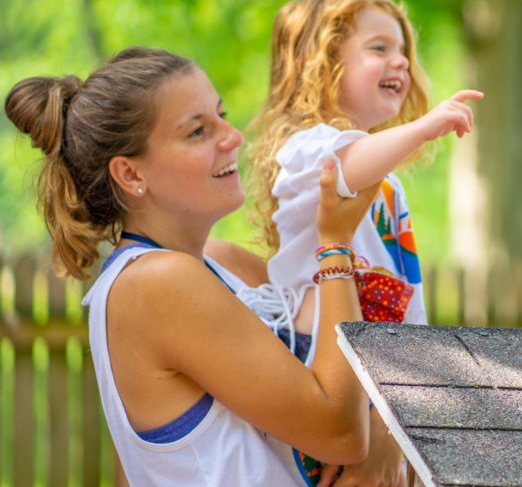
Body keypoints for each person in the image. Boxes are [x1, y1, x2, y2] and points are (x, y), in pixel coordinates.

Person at [5, 47, 378, 487]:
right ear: (129, 175)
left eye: (221, 115)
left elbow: (360, 389)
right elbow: (343, 433)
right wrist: (335, 244)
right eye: (198, 131)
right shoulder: (154, 283)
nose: (233, 136)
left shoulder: (222, 264)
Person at [245, 0, 482, 485]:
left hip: (380, 364)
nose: (400, 62)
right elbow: (347, 167)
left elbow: (408, 294)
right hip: (316, 358)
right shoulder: (305, 149)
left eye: (404, 52)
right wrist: (425, 128)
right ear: (324, 64)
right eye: (379, 49)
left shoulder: (390, 185)